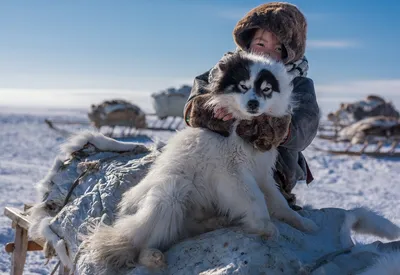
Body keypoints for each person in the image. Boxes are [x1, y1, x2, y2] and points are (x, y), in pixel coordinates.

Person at [183, 2, 320, 209]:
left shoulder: (299, 83)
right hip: (216, 157)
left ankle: (277, 202)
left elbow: (303, 130)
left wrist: (268, 127)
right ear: (246, 43)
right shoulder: (223, 71)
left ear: (289, 53)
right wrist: (212, 112)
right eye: (261, 44)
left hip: (273, 168)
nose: (267, 53)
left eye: (278, 48)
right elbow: (192, 108)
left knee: (263, 195)